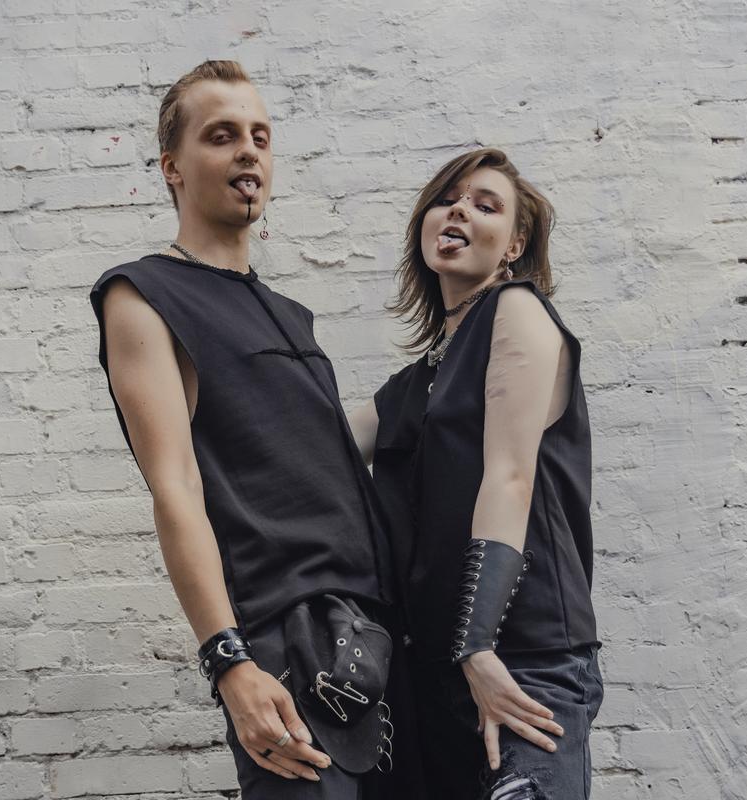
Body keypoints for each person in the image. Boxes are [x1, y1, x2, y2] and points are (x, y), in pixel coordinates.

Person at [88, 60, 412, 800]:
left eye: (261, 136)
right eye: (222, 135)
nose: (249, 151)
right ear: (172, 167)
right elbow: (175, 486)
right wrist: (229, 661)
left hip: (376, 631)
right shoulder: (144, 295)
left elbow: (327, 460)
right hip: (287, 640)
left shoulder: (289, 315)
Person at [347, 148, 605, 798]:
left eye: (485, 205)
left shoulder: (516, 310)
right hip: (434, 678)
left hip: (521, 660)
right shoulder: (412, 385)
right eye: (447, 199)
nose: (459, 210)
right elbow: (323, 458)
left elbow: (511, 477)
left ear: (513, 245)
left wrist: (477, 646)